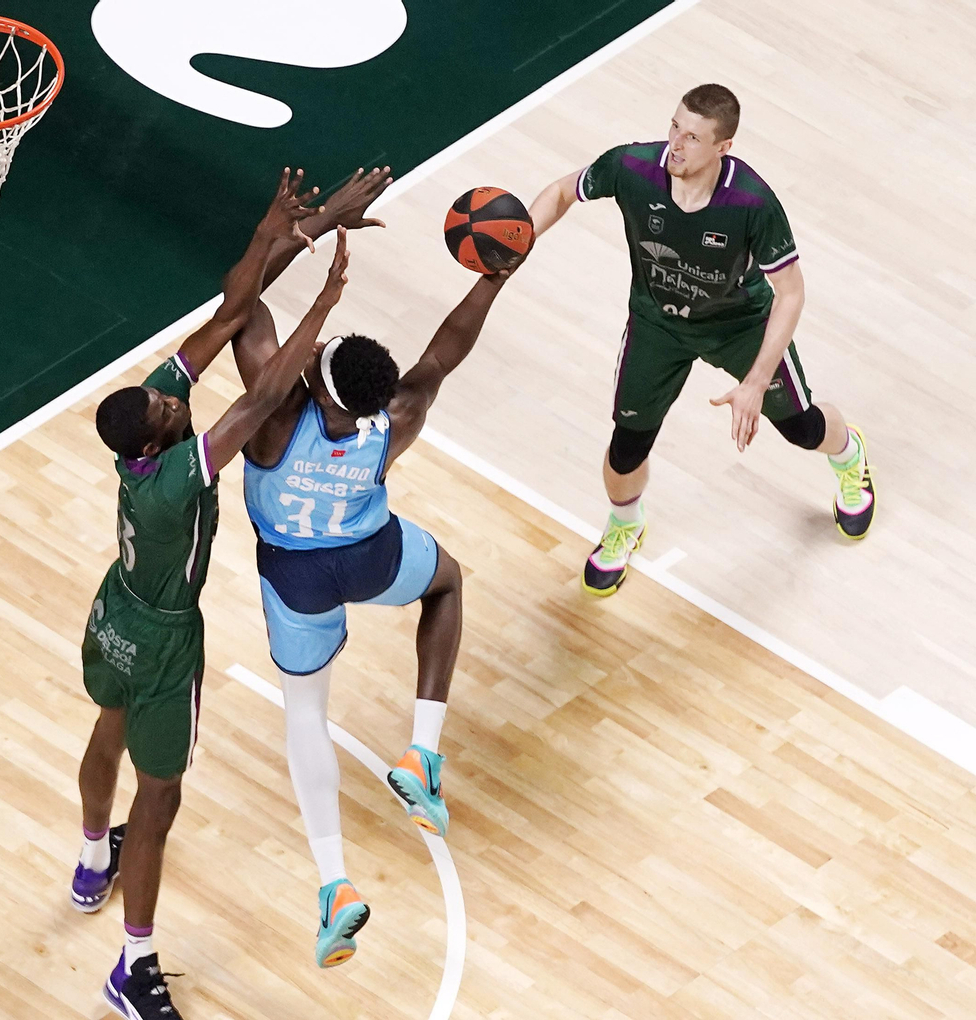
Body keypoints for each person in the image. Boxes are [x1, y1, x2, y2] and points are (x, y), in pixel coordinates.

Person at [73, 168, 353, 1020]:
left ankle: (92, 861)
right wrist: (325, 302)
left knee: (107, 726)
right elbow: (263, 397)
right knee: (159, 798)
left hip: (114, 612)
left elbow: (231, 312)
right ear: (155, 441)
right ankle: (133, 967)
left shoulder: (145, 431)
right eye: (167, 407)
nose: (173, 396)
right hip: (161, 635)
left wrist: (277, 229)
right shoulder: (171, 486)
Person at [229, 168, 523, 967]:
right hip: (369, 553)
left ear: (311, 376)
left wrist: (321, 222)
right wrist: (494, 279)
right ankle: (422, 751)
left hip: (296, 578)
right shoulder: (394, 420)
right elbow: (442, 354)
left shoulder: (273, 417)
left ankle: (335, 885)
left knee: (305, 714)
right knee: (447, 582)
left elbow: (242, 299)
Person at [528, 83, 875, 596]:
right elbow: (562, 191)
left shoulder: (752, 202)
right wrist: (521, 238)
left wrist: (755, 382)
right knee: (627, 447)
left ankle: (849, 456)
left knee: (802, 430)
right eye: (674, 127)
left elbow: (791, 293)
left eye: (692, 137)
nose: (676, 144)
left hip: (740, 325)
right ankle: (625, 524)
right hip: (658, 323)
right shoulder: (631, 167)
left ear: (722, 147)